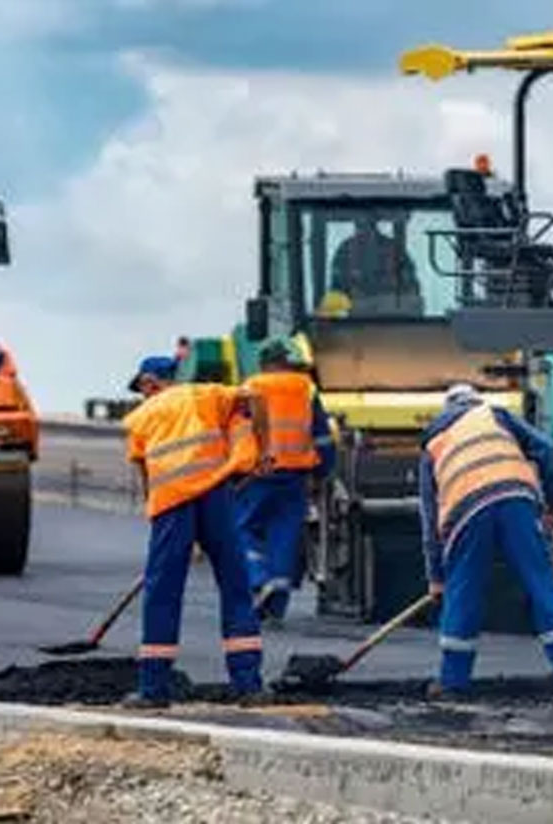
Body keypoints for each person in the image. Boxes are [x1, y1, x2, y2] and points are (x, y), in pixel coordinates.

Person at [418, 383, 553, 699]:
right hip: (516, 499)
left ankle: (451, 683)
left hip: (464, 511)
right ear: (475, 401)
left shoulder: (433, 442)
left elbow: (430, 517)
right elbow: (548, 451)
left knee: (464, 593)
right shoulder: (495, 415)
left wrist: (437, 577)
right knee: (543, 585)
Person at [121, 354, 270, 707]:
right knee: (235, 586)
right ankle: (248, 685)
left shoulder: (141, 418)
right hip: (215, 496)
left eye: (142, 389)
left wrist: (161, 525)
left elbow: (147, 478)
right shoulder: (206, 395)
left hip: (172, 506)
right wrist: (265, 450)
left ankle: (153, 689)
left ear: (149, 383)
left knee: (162, 592)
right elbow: (256, 399)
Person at [234, 338, 336, 624]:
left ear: (264, 363)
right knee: (285, 535)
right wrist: (324, 471)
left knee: (241, 529)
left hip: (257, 473)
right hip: (295, 475)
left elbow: (235, 432)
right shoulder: (306, 388)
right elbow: (322, 436)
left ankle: (258, 577)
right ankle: (275, 607)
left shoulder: (250, 388)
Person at [328, 217, 422, 314]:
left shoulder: (394, 248)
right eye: (360, 223)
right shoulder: (345, 250)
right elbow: (336, 292)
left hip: (395, 320)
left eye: (367, 221)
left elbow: (412, 290)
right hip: (358, 322)